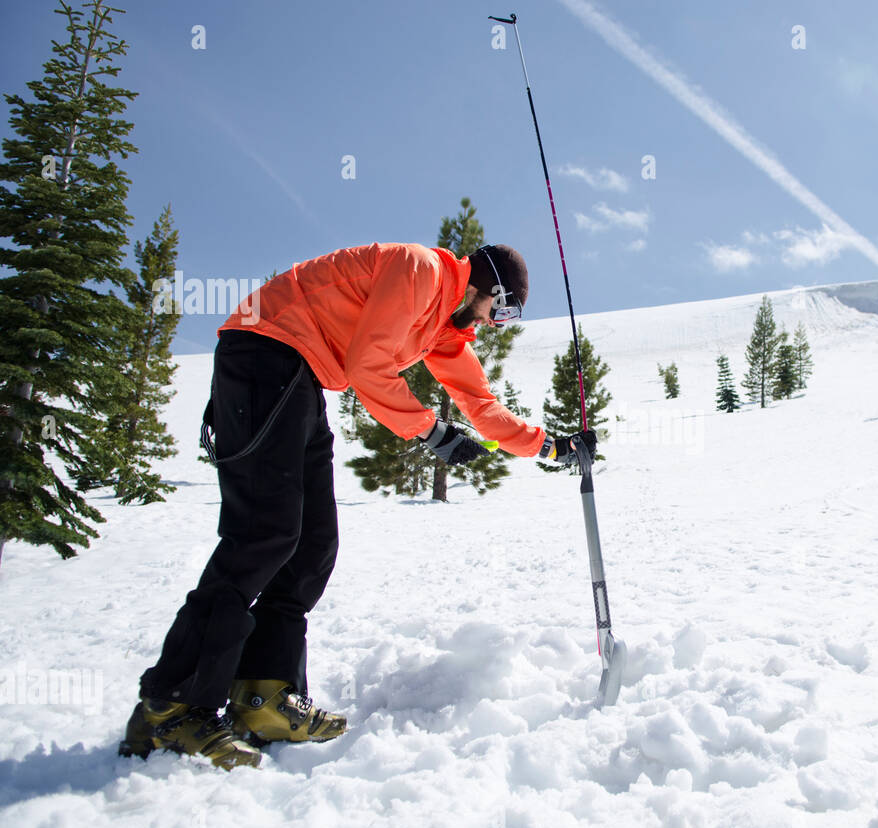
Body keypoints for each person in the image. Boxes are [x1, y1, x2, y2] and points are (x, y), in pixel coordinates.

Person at [120, 242, 595, 769]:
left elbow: (480, 404)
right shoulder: (421, 271)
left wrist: (553, 445)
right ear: (485, 287)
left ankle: (264, 694)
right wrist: (432, 432)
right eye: (502, 310)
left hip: (299, 375)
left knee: (312, 543)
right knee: (262, 533)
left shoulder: (442, 329)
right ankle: (174, 702)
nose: (497, 324)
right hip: (262, 352)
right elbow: (368, 365)